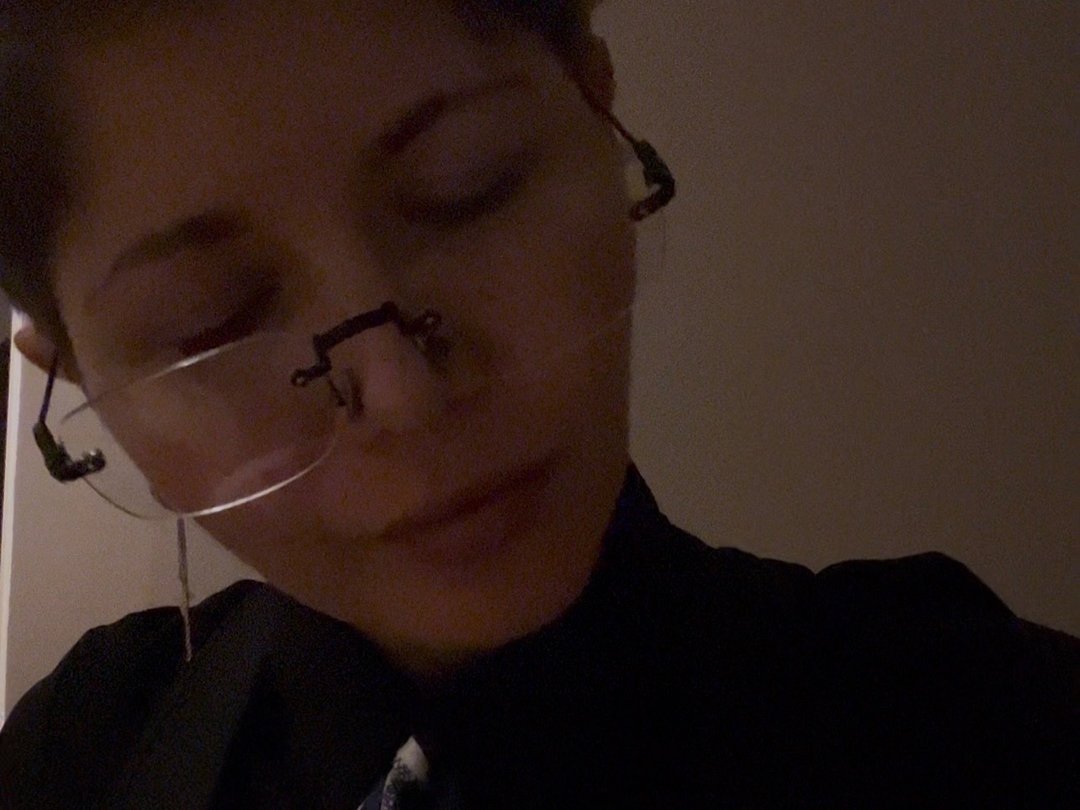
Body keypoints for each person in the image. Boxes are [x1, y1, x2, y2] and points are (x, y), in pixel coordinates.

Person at [0, 1, 1076, 807]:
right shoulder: (79, 751)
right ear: (77, 375)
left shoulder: (983, 727)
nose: (404, 398)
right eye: (211, 321)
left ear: (598, 114)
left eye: (468, 188)